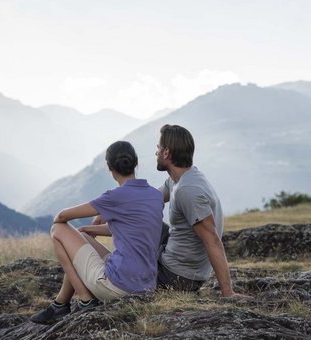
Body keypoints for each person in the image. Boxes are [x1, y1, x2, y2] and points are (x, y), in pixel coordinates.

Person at [30, 141, 164, 324]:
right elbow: (131, 228)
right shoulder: (155, 196)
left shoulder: (113, 197)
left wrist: (85, 220)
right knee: (81, 236)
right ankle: (60, 305)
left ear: (109, 167)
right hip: (146, 285)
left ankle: (85, 299)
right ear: (136, 163)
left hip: (117, 287)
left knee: (58, 230)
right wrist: (85, 230)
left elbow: (61, 217)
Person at [155, 124, 242, 297]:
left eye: (158, 148)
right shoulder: (179, 178)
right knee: (144, 221)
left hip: (178, 277)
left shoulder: (188, 190)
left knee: (125, 276)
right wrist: (107, 214)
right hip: (177, 261)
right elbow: (149, 201)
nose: (156, 152)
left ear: (166, 152)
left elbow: (212, 240)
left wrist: (228, 293)